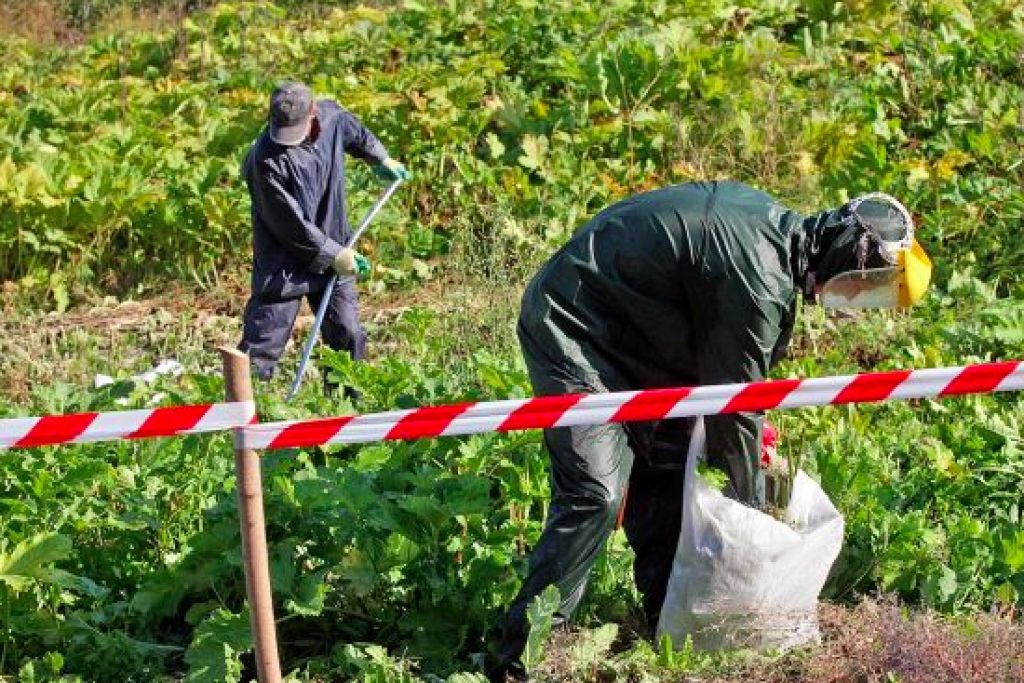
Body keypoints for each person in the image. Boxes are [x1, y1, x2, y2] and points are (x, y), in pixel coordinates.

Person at [487, 180, 932, 681]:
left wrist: (750, 446)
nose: (855, 296)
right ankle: (521, 659)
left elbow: (735, 391)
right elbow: (733, 408)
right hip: (575, 326)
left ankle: (668, 629)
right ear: (846, 259)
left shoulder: (776, 245)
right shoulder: (759, 274)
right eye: (862, 283)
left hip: (644, 342)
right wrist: (753, 506)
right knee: (595, 494)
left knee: (669, 467)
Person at [239, 81, 410, 384]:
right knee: (262, 347)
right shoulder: (263, 161)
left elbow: (355, 132)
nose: (287, 140)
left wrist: (379, 157)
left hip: (334, 248)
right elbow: (290, 225)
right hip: (283, 264)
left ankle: (348, 405)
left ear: (313, 114)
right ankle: (243, 408)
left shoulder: (332, 117)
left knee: (347, 334)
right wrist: (334, 254)